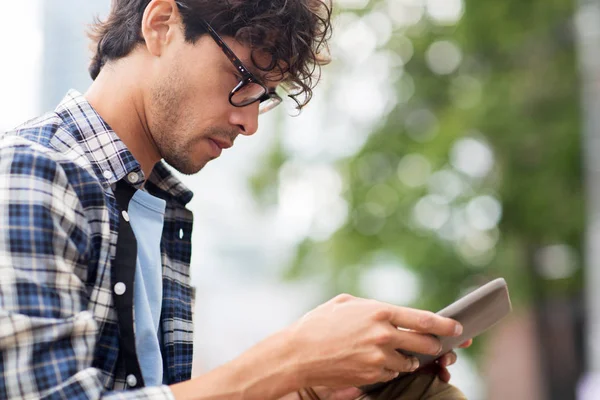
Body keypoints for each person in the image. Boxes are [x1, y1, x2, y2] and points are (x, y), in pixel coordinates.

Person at [0, 0, 473, 399]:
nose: (250, 123)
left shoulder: (158, 210)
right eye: (242, 77)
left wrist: (307, 385)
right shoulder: (31, 171)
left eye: (263, 96)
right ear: (161, 24)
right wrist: (290, 359)